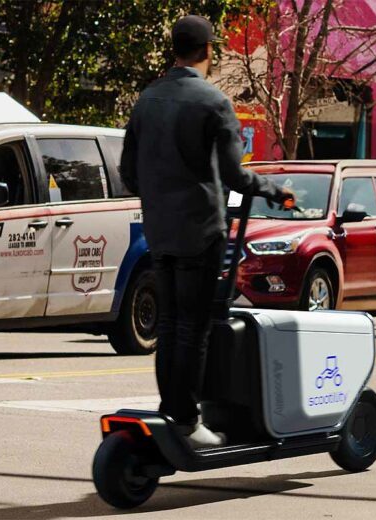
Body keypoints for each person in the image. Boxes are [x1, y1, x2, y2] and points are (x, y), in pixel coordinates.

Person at [120, 15, 291, 448]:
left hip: (159, 232)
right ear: (209, 51)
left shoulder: (146, 100)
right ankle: (187, 418)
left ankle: (169, 408)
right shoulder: (213, 102)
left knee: (169, 324)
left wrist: (162, 193)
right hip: (200, 231)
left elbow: (129, 175)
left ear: (174, 49)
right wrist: (276, 191)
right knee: (192, 329)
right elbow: (236, 176)